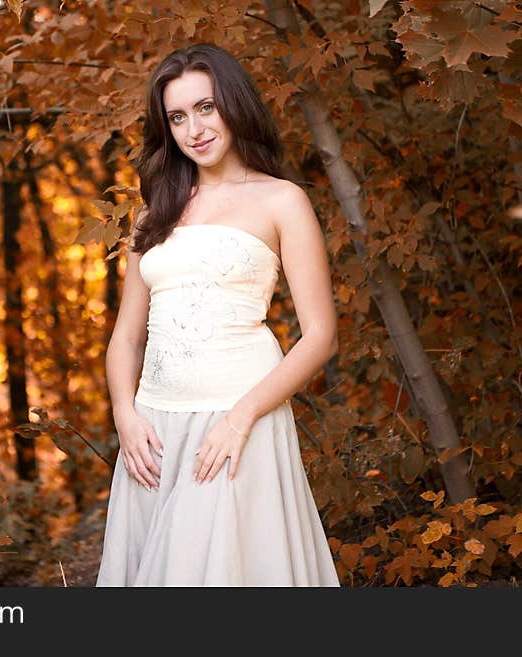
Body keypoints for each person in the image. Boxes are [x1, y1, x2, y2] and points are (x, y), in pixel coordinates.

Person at [96, 43, 340, 586]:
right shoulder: (153, 215)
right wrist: (124, 415)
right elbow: (126, 339)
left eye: (205, 107)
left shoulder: (282, 201)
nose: (194, 128)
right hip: (154, 427)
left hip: (237, 419)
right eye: (177, 117)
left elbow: (320, 335)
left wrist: (241, 417)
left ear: (233, 103)